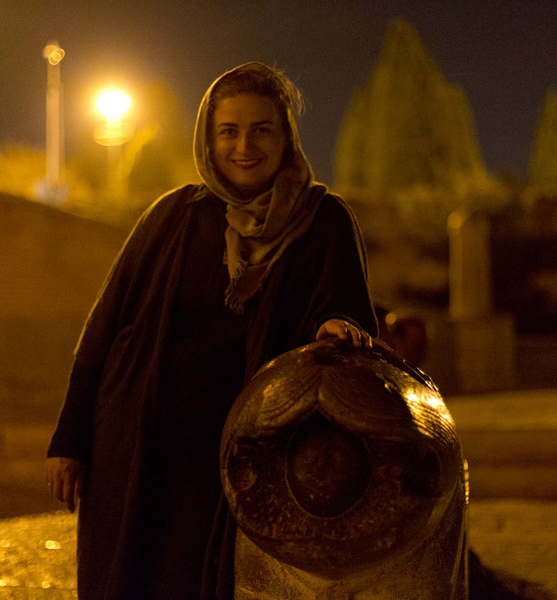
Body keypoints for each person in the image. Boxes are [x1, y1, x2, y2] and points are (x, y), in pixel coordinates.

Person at [44, 62, 378, 600]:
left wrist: (339, 325)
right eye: (229, 131)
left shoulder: (324, 220)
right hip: (140, 447)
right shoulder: (175, 216)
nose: (244, 146)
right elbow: (105, 327)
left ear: (285, 135)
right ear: (209, 137)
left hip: (252, 461)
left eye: (261, 129)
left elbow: (347, 311)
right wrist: (70, 439)